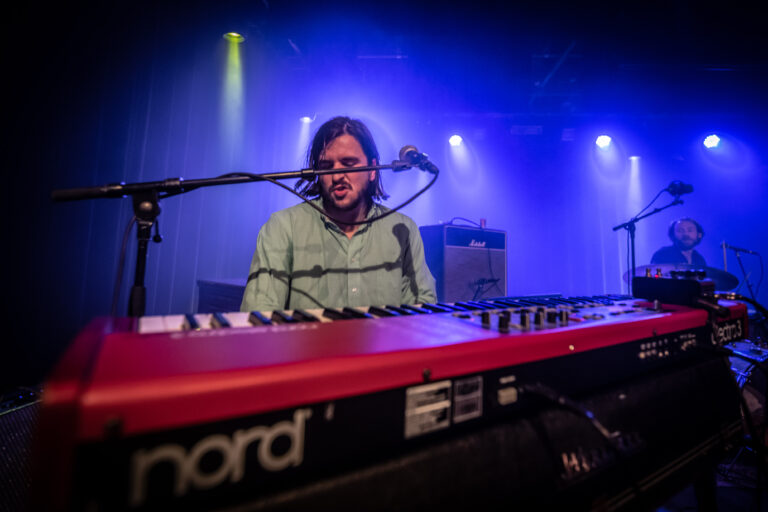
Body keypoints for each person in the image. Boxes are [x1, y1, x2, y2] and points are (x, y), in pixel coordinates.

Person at [241, 116, 437, 312]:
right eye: (327, 167)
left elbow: (423, 311)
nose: (336, 176)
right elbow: (259, 318)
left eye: (349, 163)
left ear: (373, 170)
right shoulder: (283, 227)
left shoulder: (403, 229)